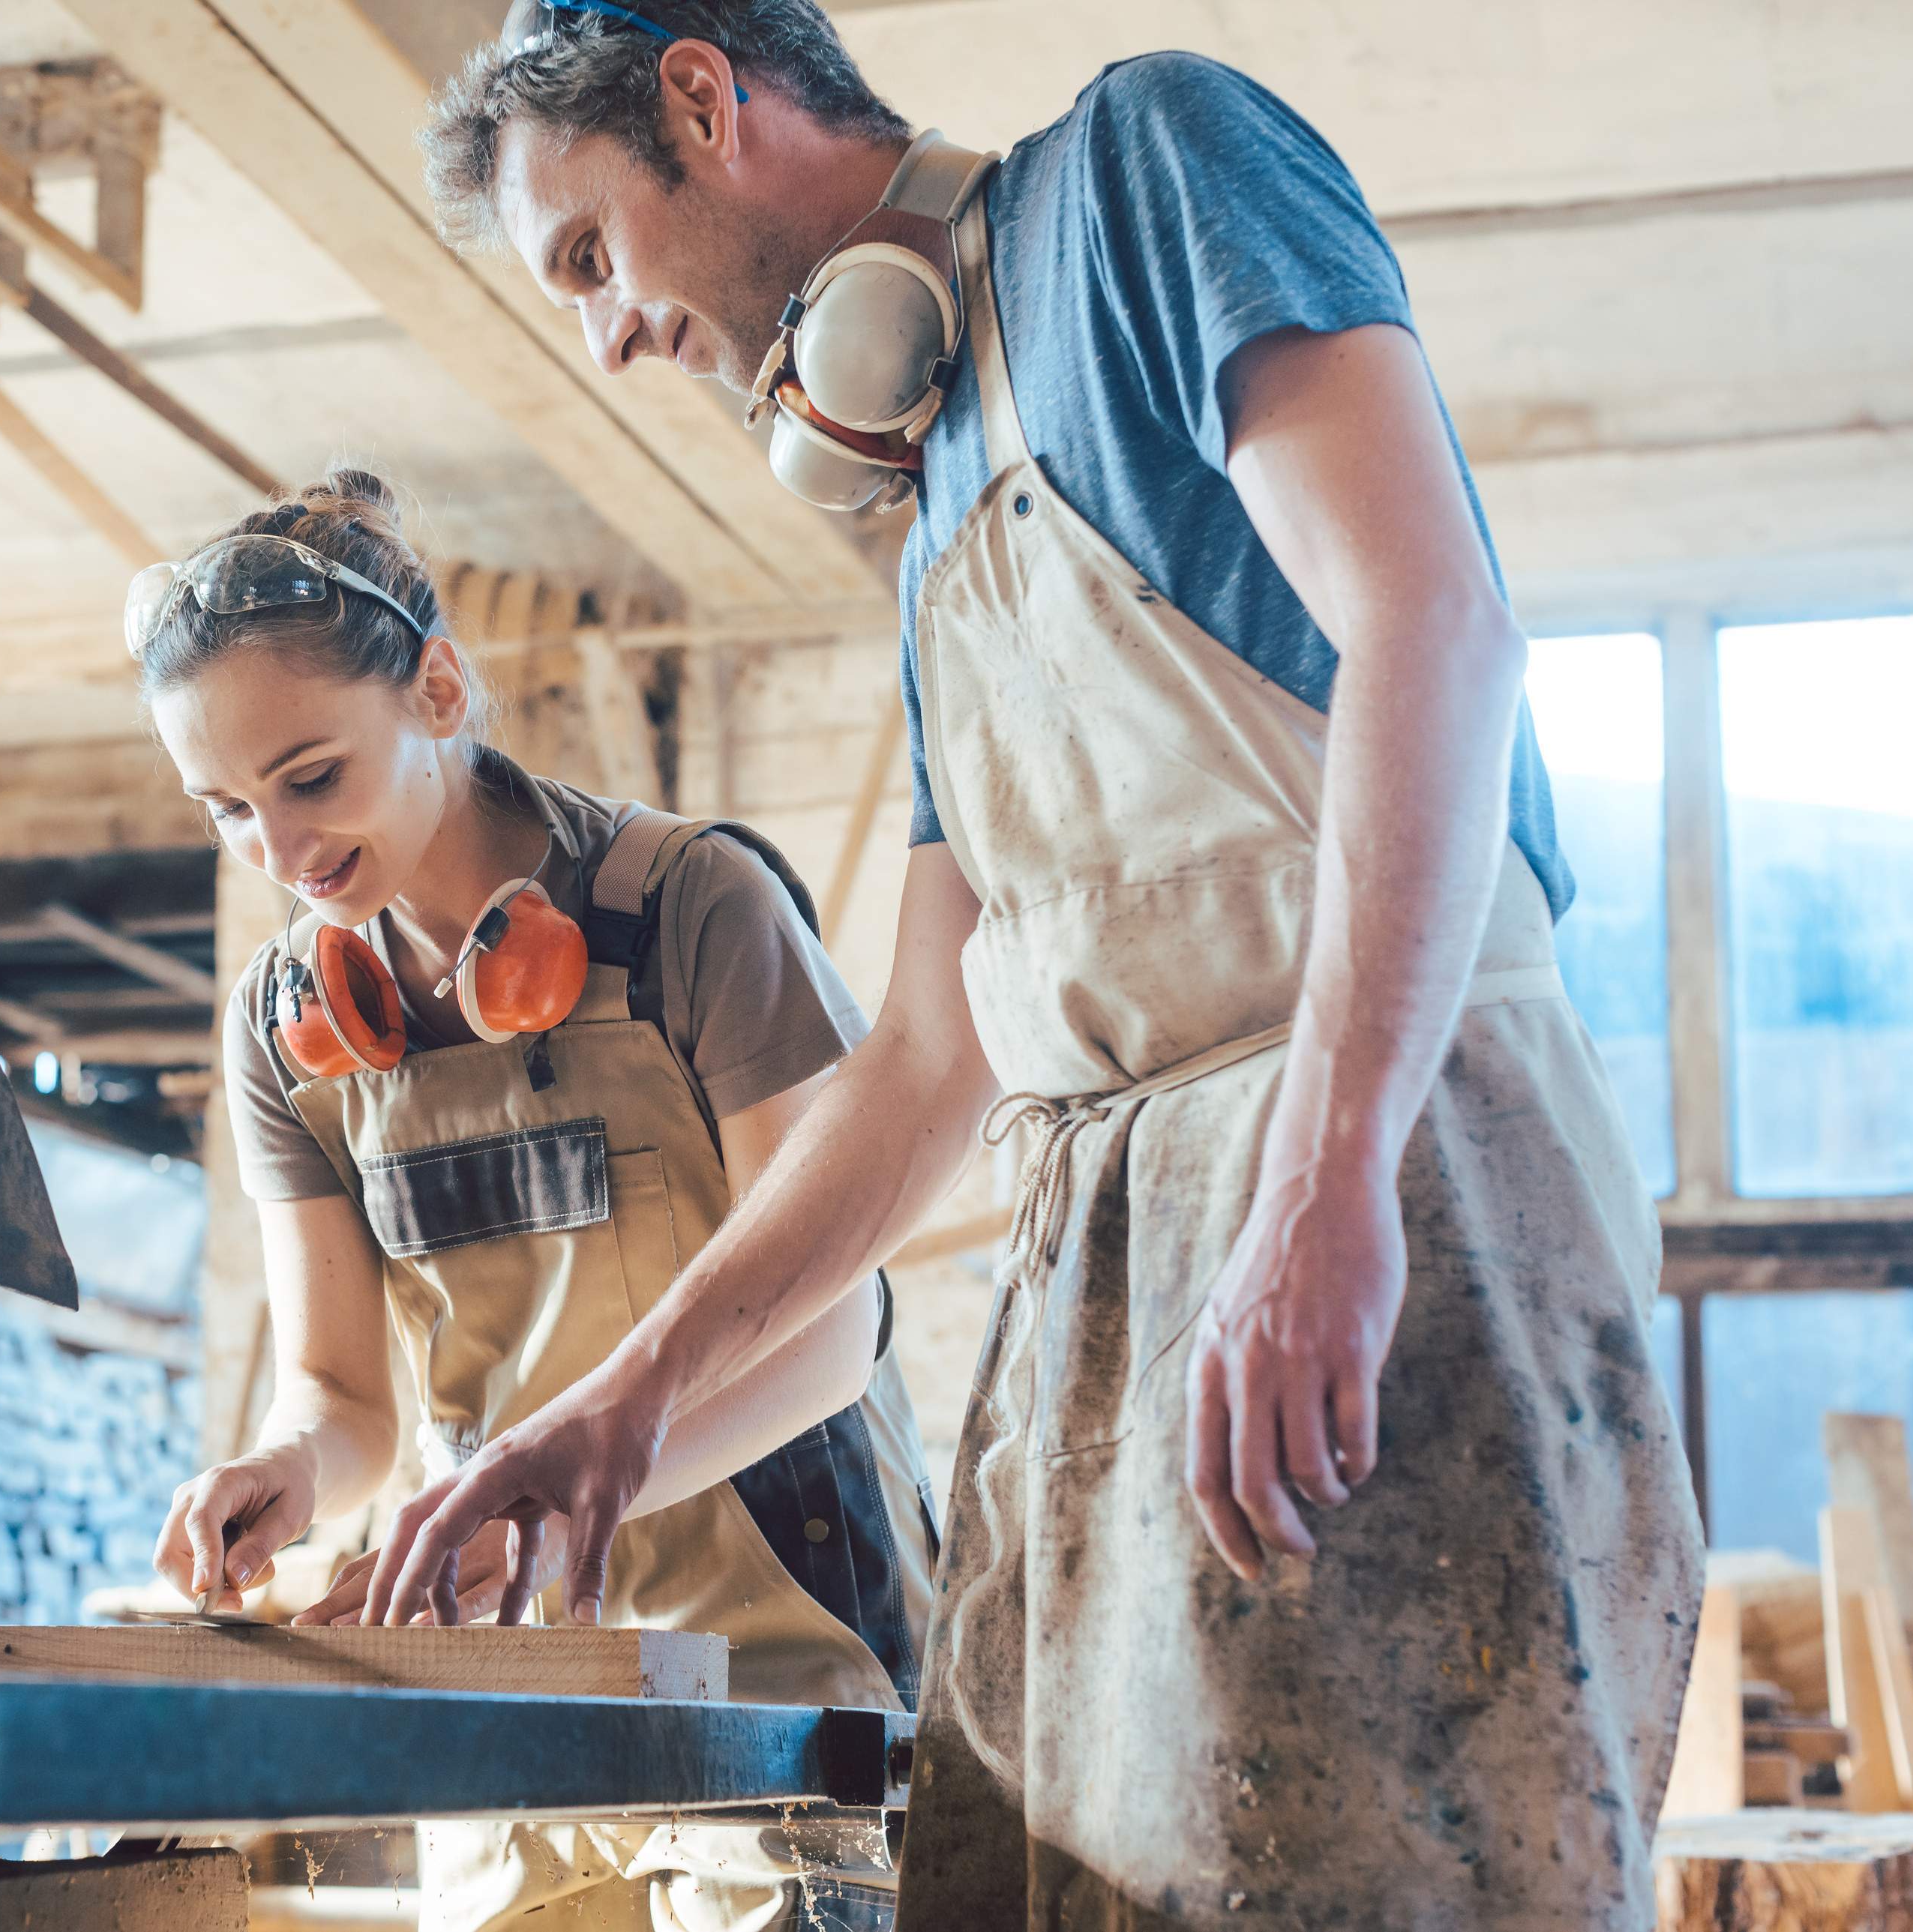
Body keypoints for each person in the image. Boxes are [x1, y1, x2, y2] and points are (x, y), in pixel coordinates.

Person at [365, 7, 1705, 1924]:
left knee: (1391, 1879)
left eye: (592, 258)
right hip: (1107, 1251)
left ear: (696, 95)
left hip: (1378, 1154)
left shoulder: (1148, 172)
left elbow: (1439, 627)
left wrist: (1326, 1176)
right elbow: (923, 1057)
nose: (611, 336)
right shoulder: (929, 511)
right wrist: (620, 1403)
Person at [136, 469, 940, 1932]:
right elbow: (344, 1391)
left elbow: (835, 1333)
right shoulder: (282, 1031)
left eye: (311, 777)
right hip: (514, 1715)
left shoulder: (692, 912)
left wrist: (551, 1508)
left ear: (437, 688)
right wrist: (295, 1472)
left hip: (774, 1689)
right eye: (226, 809)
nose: (281, 852)